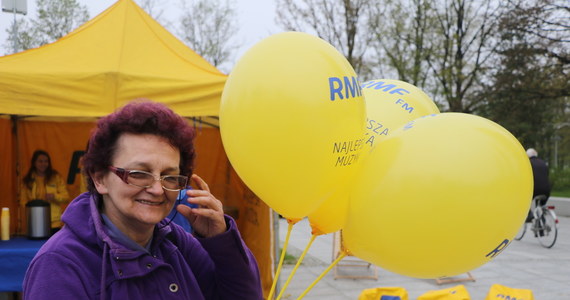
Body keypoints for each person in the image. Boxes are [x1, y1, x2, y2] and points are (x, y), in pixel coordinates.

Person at [23, 100, 262, 299]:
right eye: (138, 174)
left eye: (169, 176)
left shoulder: (175, 242)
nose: (157, 189)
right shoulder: (60, 265)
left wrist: (221, 242)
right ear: (100, 179)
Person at [20, 150, 70, 234]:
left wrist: (54, 196)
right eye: (40, 161)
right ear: (34, 163)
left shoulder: (55, 177)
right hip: (34, 223)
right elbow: (23, 201)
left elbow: (66, 197)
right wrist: (32, 205)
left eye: (46, 161)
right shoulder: (27, 180)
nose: (43, 164)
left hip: (54, 223)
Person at [525, 148, 551, 223]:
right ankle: (541, 227)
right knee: (540, 208)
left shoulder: (528, 163)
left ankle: (529, 215)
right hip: (547, 190)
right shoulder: (543, 163)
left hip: (535, 190)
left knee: (525, 200)